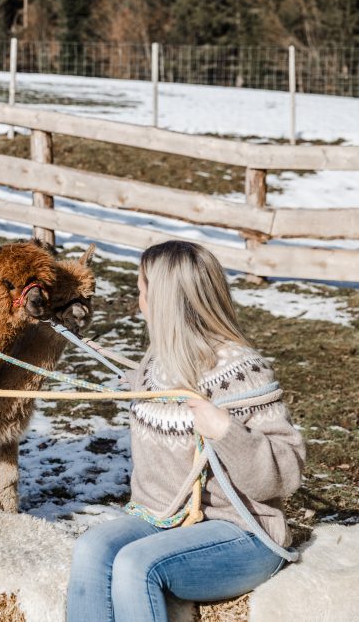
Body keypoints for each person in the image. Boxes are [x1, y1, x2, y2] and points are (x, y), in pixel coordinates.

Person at [66, 240, 305, 622]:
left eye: (142, 289)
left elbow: (285, 475)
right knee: (92, 547)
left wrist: (226, 431)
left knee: (135, 565)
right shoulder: (155, 365)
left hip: (242, 533)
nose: (138, 299)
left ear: (164, 300)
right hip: (162, 520)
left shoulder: (241, 371)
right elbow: (158, 397)